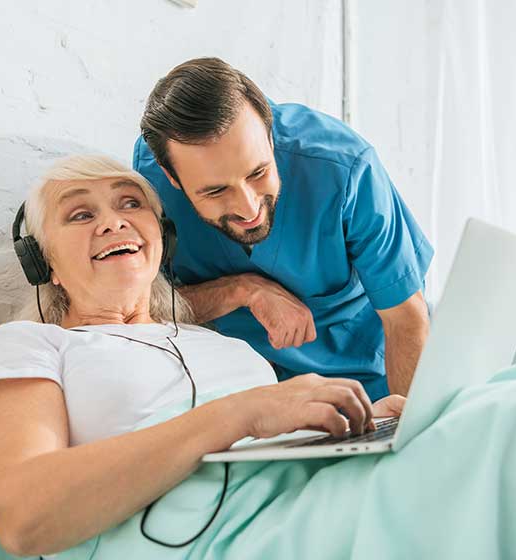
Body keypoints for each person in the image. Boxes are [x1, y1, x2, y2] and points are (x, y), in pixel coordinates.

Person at [0, 155, 516, 559]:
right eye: (79, 213)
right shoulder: (31, 346)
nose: (112, 220)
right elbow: (26, 513)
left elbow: (273, 436)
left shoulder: (207, 344)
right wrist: (239, 413)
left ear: (161, 236)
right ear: (45, 264)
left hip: (320, 487)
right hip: (232, 535)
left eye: (130, 204)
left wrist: (372, 420)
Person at [133, 57, 432, 401]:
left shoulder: (344, 168)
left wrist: (408, 433)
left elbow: (405, 317)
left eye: (258, 172)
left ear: (270, 136)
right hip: (255, 390)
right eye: (216, 191)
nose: (248, 208)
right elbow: (147, 309)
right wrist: (243, 290)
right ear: (172, 177)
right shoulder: (149, 187)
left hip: (378, 371)